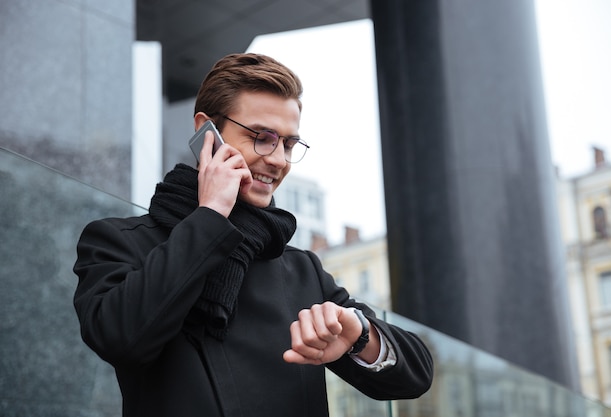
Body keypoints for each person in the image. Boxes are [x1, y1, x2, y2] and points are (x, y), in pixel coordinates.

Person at [73, 52, 433, 417]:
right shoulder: (120, 241)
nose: (278, 159)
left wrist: (359, 335)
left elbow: (415, 375)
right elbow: (120, 338)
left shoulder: (300, 270)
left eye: (289, 145)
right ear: (205, 131)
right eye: (262, 138)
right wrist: (211, 214)